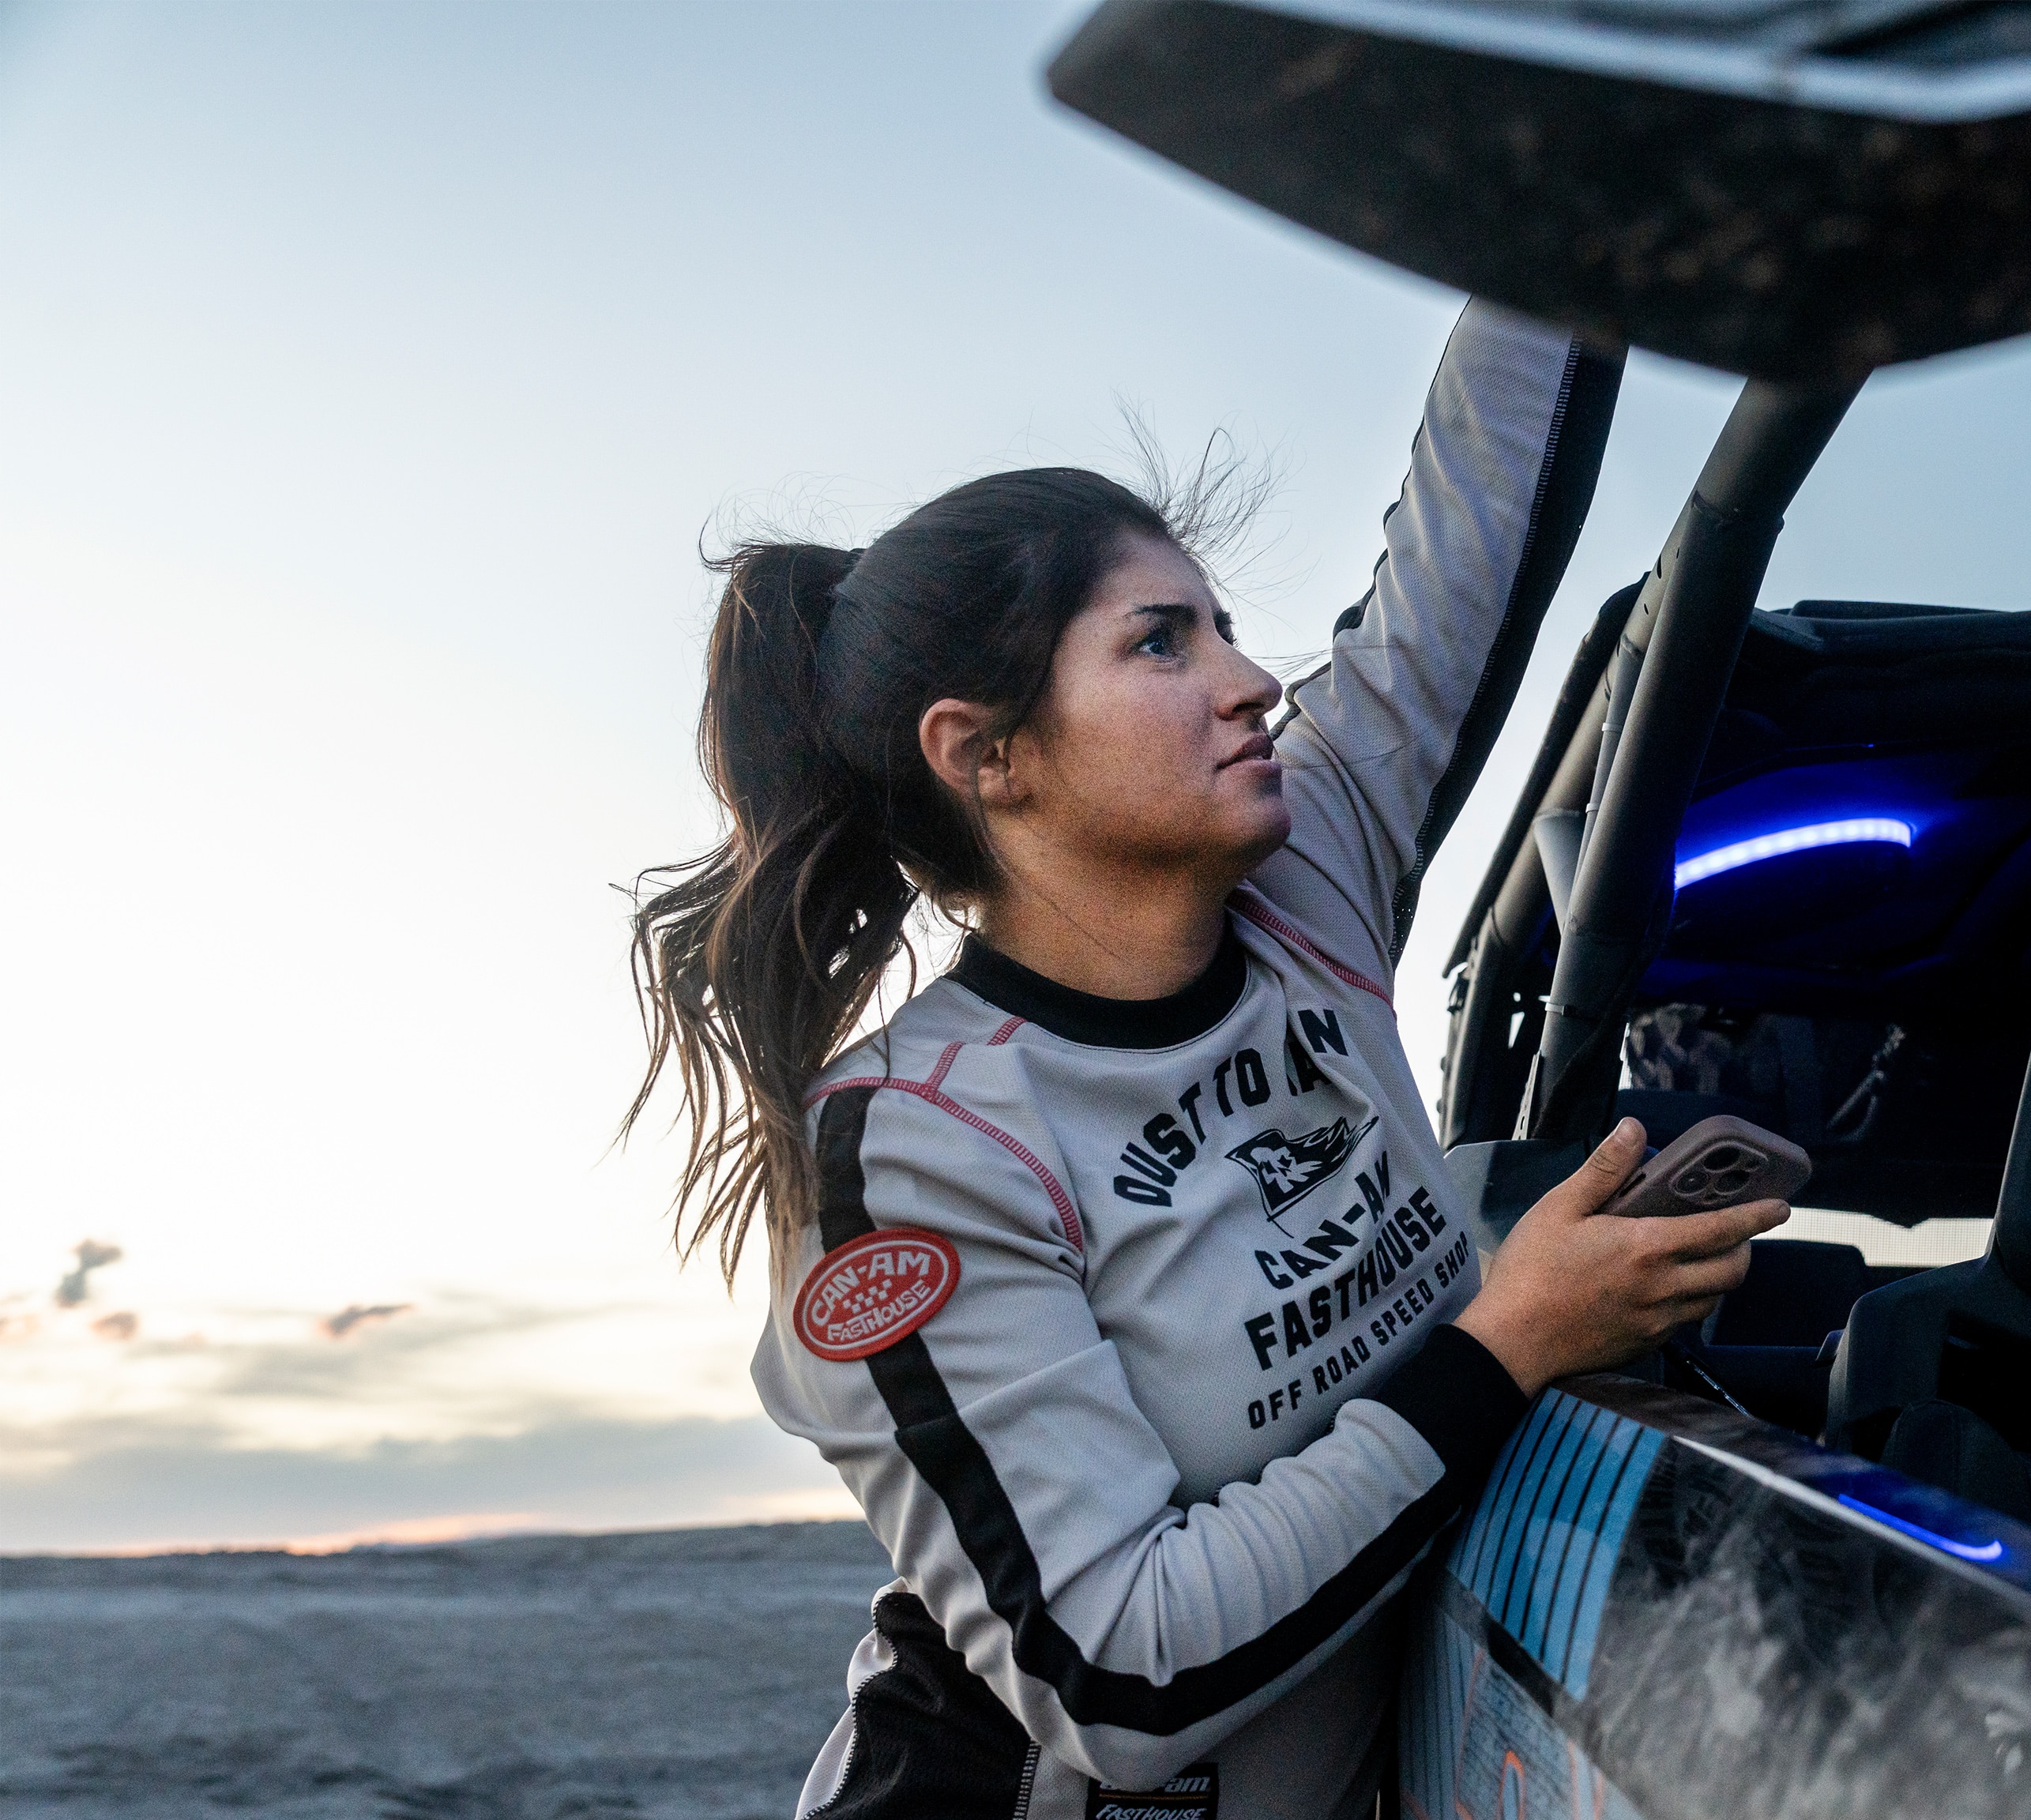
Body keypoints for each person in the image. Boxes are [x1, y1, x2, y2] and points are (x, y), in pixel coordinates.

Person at [625, 305, 1788, 1820]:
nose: (1249, 682)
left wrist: (1563, 207)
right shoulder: (916, 1147)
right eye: (1162, 643)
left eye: (1223, 626)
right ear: (987, 755)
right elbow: (1124, 1671)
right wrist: (1510, 1344)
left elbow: (1475, 520)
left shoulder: (1309, 889)